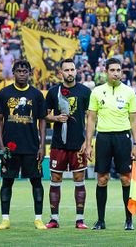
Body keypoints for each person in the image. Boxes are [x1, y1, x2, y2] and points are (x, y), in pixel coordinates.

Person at [85, 58, 136, 231]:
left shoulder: (129, 92)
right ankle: (100, 221)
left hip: (123, 137)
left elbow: (134, 120)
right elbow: (91, 119)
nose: (116, 73)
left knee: (125, 179)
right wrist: (88, 144)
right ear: (106, 72)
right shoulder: (96, 91)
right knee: (102, 179)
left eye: (118, 70)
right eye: (112, 70)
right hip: (103, 137)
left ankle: (129, 220)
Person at [0, 60, 47, 230]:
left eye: (25, 71)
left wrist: (42, 145)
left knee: (36, 182)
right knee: (7, 182)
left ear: (30, 73)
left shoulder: (36, 94)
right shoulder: (4, 93)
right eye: (18, 71)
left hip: (31, 146)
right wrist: (0, 144)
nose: (22, 74)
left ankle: (38, 219)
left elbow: (42, 120)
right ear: (13, 73)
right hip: (10, 148)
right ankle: (5, 219)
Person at [44, 58, 91, 229]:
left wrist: (88, 142)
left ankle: (80, 219)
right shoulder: (52, 92)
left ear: (76, 71)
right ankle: (54, 219)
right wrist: (56, 118)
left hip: (78, 144)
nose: (70, 73)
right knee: (56, 179)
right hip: (58, 143)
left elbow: (91, 118)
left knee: (79, 179)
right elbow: (45, 115)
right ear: (60, 73)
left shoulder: (85, 92)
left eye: (72, 70)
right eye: (66, 70)